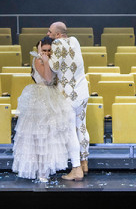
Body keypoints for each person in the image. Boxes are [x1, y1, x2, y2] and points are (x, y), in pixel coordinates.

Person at [11, 37, 82, 183]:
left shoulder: (51, 60)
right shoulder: (38, 60)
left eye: (49, 51)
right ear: (39, 49)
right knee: (39, 136)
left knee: (51, 136)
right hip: (40, 98)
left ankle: (46, 170)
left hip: (53, 96)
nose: (47, 53)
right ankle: (41, 172)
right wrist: (44, 59)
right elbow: (48, 79)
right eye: (44, 50)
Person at [48, 21, 89, 179]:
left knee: (71, 130)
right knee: (82, 127)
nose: (48, 34)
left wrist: (45, 56)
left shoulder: (57, 44)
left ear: (58, 35)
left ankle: (76, 169)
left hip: (69, 95)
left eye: (50, 32)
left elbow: (55, 67)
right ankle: (84, 163)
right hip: (82, 91)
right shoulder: (75, 40)